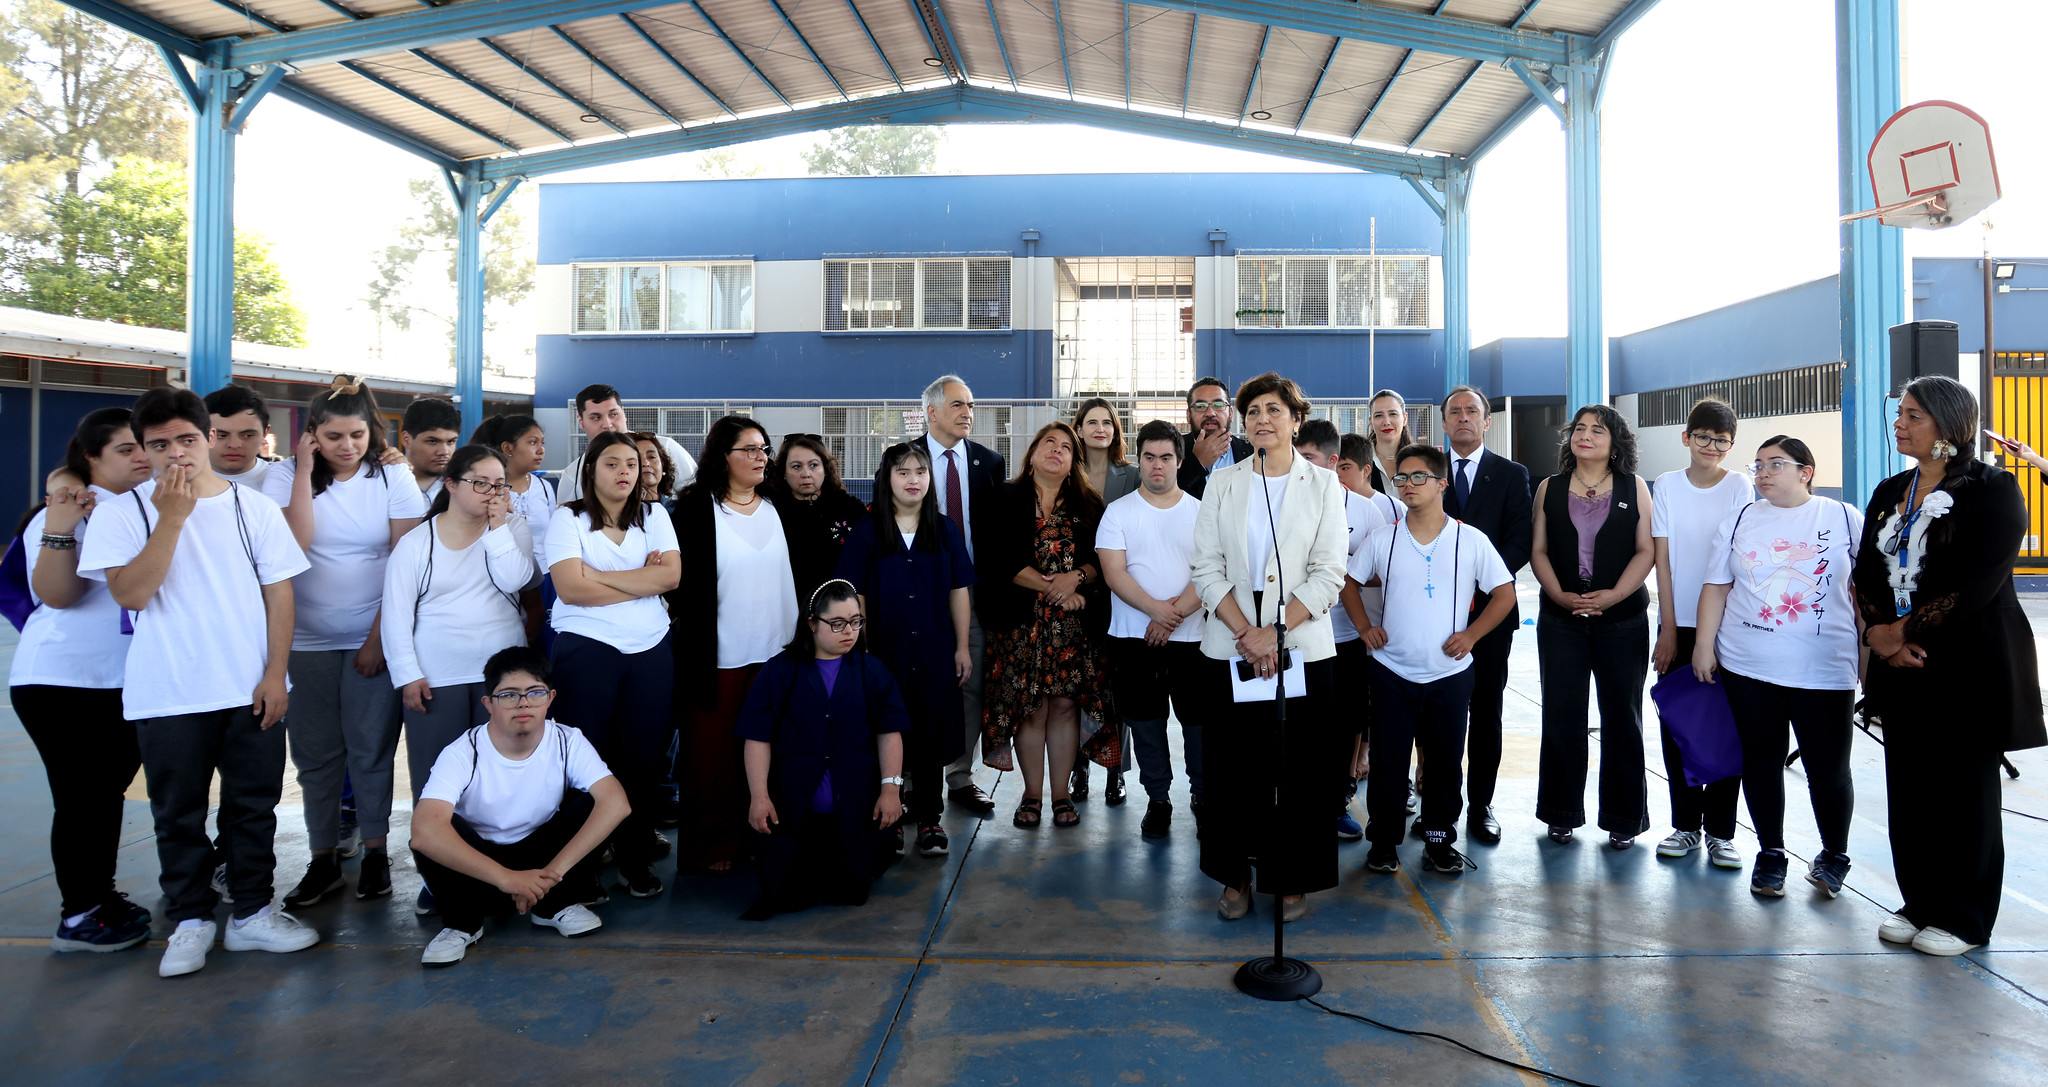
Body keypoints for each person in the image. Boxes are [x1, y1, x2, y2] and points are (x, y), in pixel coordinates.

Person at [78, 387, 315, 978]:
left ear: (206, 437)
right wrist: (173, 519)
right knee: (177, 811)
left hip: (248, 687)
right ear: (145, 449)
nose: (175, 455)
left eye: (186, 439)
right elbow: (132, 594)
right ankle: (190, 920)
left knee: (253, 807)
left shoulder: (252, 508)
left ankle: (252, 914)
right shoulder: (121, 512)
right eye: (159, 445)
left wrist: (275, 673)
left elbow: (279, 591)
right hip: (169, 691)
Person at [1855, 376, 2044, 955]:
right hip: (1899, 660)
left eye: (1913, 415)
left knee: (1965, 790)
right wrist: (1878, 636)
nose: (1900, 423)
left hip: (1969, 661)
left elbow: (1975, 585)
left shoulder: (1994, 489)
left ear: (1947, 423)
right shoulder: (1892, 489)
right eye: (1900, 413)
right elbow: (1863, 570)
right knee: (1909, 786)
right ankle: (1920, 902)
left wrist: (1901, 632)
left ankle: (1964, 917)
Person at [261, 376, 427, 907]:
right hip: (303, 642)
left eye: (356, 434)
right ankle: (323, 859)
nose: (347, 446)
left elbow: (406, 564)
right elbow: (291, 545)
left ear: (372, 432)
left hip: (371, 639)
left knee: (371, 750)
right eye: (332, 436)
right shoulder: (283, 476)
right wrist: (304, 472)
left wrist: (379, 638)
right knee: (315, 757)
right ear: (311, 435)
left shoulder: (392, 479)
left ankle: (376, 853)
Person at [1189, 372, 1348, 923]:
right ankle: (1236, 877)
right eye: (1252, 411)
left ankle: (1290, 879)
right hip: (1231, 637)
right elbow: (1206, 567)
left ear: (1294, 419)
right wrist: (1247, 634)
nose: (1261, 419)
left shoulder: (1324, 485)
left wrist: (1274, 631)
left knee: (1299, 772)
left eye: (1273, 410)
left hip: (1300, 640)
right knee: (1234, 771)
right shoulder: (1223, 482)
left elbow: (1330, 573)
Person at [1694, 436, 1863, 899]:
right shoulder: (1741, 519)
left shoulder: (1843, 518)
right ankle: (1771, 853)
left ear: (1806, 472)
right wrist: (1703, 647)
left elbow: (1863, 597)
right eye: (1759, 465)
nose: (1763, 473)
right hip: (1749, 665)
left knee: (1828, 768)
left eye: (1776, 464)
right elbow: (1716, 586)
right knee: (1761, 760)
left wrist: (1869, 662)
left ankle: (1834, 854)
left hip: (1824, 668)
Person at [11, 409, 154, 951]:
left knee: (103, 795)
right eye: (124, 449)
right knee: (82, 798)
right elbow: (58, 595)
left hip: (120, 681)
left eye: (145, 445)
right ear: (90, 458)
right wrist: (61, 525)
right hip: (62, 682)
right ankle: (79, 916)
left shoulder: (146, 506)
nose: (141, 455)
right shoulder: (68, 510)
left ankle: (98, 894)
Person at [382, 443, 536, 916]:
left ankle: (499, 871)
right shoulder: (417, 543)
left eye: (499, 484)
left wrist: (495, 527)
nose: (492, 492)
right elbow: (395, 615)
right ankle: (439, 875)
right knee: (438, 782)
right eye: (480, 483)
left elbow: (516, 580)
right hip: (439, 676)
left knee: (499, 776)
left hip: (502, 678)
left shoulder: (511, 528)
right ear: (450, 484)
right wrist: (408, 675)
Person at [1350, 444, 1517, 875]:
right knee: (1388, 761)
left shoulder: (1470, 539)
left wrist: (1473, 635)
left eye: (1419, 476)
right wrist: (1365, 629)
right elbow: (1346, 583)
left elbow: (1504, 594)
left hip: (1450, 674)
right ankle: (1383, 841)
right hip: (1391, 670)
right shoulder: (1382, 538)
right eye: (1401, 478)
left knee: (1444, 762)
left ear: (1442, 483)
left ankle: (1440, 839)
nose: (1408, 485)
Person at [411, 647, 627, 967]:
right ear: (488, 703)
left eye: (535, 692)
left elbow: (617, 804)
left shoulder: (568, 740)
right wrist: (507, 879)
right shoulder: (462, 751)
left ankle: (552, 905)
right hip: (478, 870)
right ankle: (462, 924)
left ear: (550, 698)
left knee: (594, 805)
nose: (523, 703)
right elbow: (423, 833)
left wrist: (550, 877)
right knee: (433, 827)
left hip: (541, 863)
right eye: (509, 694)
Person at [547, 431, 681, 897]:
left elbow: (671, 576)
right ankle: (581, 869)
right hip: (587, 649)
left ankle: (633, 858)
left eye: (632, 463)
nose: (625, 471)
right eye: (612, 463)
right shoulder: (567, 519)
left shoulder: (655, 514)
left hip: (649, 649)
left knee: (641, 761)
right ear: (590, 471)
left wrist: (599, 575)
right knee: (587, 762)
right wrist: (641, 579)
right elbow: (570, 589)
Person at [667, 416, 799, 873]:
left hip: (777, 651)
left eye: (764, 448)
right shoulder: (695, 510)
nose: (761, 457)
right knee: (714, 756)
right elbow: (678, 586)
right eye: (749, 449)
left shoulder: (780, 502)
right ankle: (715, 845)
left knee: (773, 750)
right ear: (722, 456)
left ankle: (765, 838)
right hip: (718, 655)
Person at [738, 581, 910, 919]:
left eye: (857, 621)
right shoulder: (779, 672)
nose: (850, 632)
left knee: (849, 891)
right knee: (787, 893)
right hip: (793, 818)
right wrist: (759, 796)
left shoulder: (873, 672)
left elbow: (890, 732)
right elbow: (757, 737)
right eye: (838, 623)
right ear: (812, 623)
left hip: (852, 816)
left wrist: (891, 788)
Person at [835, 443, 974, 858]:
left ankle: (930, 820)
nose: (913, 480)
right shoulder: (870, 529)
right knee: (887, 731)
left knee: (931, 734)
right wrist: (860, 647)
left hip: (935, 650)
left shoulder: (945, 529)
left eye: (920, 472)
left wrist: (962, 645)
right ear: (886, 480)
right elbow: (854, 593)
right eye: (903, 472)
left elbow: (959, 591)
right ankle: (890, 820)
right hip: (885, 652)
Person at [981, 421, 1118, 829]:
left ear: (1075, 460)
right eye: (1049, 443)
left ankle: (1061, 797)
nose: (1057, 451)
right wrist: (1054, 588)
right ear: (1033, 451)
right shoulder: (1004, 498)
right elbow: (997, 559)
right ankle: (1031, 796)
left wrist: (1075, 579)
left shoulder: (1091, 504)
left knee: (1062, 705)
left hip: (1074, 628)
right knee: (1031, 707)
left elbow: (1102, 562)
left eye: (1066, 447)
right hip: (1019, 626)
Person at [1530, 405, 1655, 849]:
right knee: (1562, 714)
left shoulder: (1634, 487)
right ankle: (1561, 812)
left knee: (1623, 717)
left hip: (1621, 620)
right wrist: (1560, 595)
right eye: (1579, 429)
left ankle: (1624, 817)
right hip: (1560, 619)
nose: (1585, 435)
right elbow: (1539, 550)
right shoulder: (1550, 487)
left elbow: (1645, 551)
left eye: (1597, 430)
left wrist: (1615, 595)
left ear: (1615, 441)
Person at [1648, 399, 1752, 869]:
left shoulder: (1740, 486)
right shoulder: (1667, 485)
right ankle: (1686, 826)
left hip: (1730, 625)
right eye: (1704, 437)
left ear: (1732, 446)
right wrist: (1669, 628)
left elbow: (1736, 556)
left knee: (1727, 729)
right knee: (1679, 726)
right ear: (1686, 438)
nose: (1712, 447)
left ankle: (1722, 833)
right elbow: (1663, 560)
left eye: (1722, 440)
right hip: (1679, 621)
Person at [1095, 421, 1208, 839]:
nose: (1157, 465)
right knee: (1145, 722)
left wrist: (1171, 615)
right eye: (1149, 457)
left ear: (1180, 461)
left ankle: (1202, 796)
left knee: (1197, 723)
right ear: (1137, 460)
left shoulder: (1201, 512)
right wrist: (1155, 613)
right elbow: (1114, 572)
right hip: (1133, 637)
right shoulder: (1118, 513)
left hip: (1193, 638)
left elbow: (1210, 572)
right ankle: (1158, 799)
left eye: (1165, 457)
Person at [1438, 385, 1533, 844]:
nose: (1462, 418)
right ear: (1443, 421)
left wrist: (1482, 579)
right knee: (1437, 715)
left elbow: (1520, 540)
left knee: (1485, 710)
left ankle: (1481, 805)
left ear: (1486, 420)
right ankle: (1439, 807)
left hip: (1492, 614)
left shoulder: (1511, 475)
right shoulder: (1429, 472)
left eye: (1470, 411)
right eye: (1453, 412)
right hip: (1434, 611)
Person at [913, 374, 1005, 818]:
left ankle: (960, 777)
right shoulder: (903, 460)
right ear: (931, 412)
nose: (968, 412)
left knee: (969, 684)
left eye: (970, 405)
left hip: (972, 593)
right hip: (918, 595)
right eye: (957, 405)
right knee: (915, 684)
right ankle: (912, 778)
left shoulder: (989, 462)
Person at [1297, 419, 1388, 842]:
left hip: (1345, 639)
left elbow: (1378, 574)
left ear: (1332, 463)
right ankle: (1293, 807)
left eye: (1309, 458)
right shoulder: (1282, 503)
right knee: (1297, 728)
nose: (1300, 464)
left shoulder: (1366, 511)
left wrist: (1340, 572)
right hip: (1294, 638)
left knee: (1345, 724)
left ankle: (1336, 806)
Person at [1071, 397, 1138, 803]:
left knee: (1116, 688)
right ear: (1078, 429)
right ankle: (1078, 768)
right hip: (1076, 593)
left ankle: (1115, 770)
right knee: (1078, 686)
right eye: (1091, 422)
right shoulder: (1066, 473)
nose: (1100, 429)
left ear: (1116, 431)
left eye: (1107, 422)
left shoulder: (1129, 476)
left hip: (1120, 593)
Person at [474, 414, 553, 645]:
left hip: (544, 581)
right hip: (500, 580)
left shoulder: (545, 488)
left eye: (542, 443)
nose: (540, 450)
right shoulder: (487, 489)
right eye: (532, 442)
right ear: (507, 448)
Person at [556, 383, 698, 505]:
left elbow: (697, 497)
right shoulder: (572, 475)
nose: (607, 424)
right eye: (596, 417)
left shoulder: (664, 447)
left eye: (613, 414)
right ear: (580, 421)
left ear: (624, 414)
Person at [770, 433, 868, 607]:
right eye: (796, 467)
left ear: (825, 468)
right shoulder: (771, 511)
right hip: (787, 607)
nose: (806, 474)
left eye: (814, 465)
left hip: (840, 608)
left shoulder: (850, 508)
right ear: (783, 472)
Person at [1177, 377, 1253, 500]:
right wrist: (1198, 464)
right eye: (1200, 406)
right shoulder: (1173, 450)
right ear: (1188, 415)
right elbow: (1162, 497)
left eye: (1218, 405)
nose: (1210, 413)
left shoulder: (1252, 453)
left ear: (1231, 413)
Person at [204, 384, 276, 489]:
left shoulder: (286, 482)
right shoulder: (179, 483)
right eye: (221, 435)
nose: (234, 445)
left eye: (247, 435)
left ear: (265, 432)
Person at [399, 396, 463, 500]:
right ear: (407, 440)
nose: (444, 452)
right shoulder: (384, 484)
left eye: (451, 442)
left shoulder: (465, 487)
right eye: (432, 441)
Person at [1335, 432, 1400, 525]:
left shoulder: (1395, 509)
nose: (1337, 474)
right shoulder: (1328, 507)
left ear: (1365, 471)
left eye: (1345, 468)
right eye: (1333, 468)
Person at [1364, 390, 1416, 493]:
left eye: (1393, 414)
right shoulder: (1360, 461)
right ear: (1371, 422)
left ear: (1405, 418)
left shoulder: (1420, 460)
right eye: (1379, 415)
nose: (1386, 422)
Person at [634, 430, 679, 512]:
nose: (645, 463)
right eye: (637, 458)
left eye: (651, 457)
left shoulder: (679, 510)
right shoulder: (614, 512)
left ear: (663, 466)